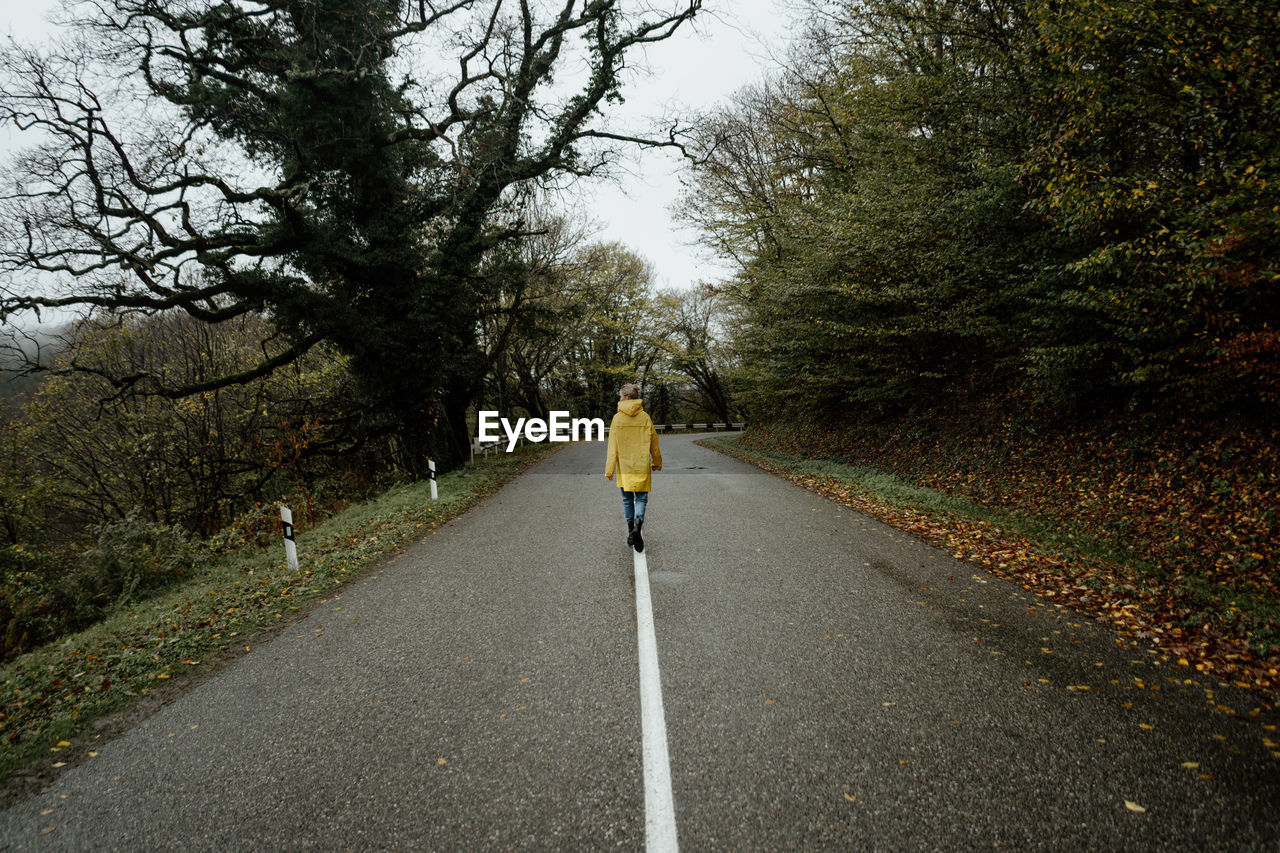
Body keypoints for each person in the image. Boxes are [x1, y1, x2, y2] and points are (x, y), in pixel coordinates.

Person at [604, 383, 662, 552]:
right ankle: (639, 521)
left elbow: (612, 446)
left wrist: (609, 469)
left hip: (625, 467)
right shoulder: (645, 417)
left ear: (627, 398)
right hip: (641, 465)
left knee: (627, 500)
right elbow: (654, 442)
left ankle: (631, 531)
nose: (620, 399)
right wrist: (656, 461)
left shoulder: (617, 418)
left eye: (621, 396)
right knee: (641, 499)